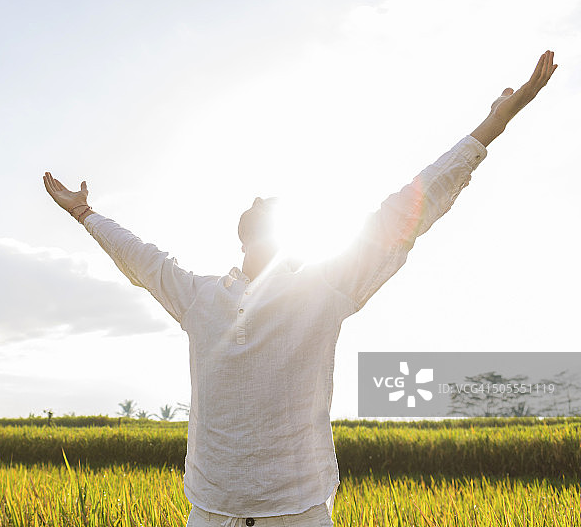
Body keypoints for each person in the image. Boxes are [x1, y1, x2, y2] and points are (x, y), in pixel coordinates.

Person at [42, 51, 557, 527]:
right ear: (243, 235)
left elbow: (410, 206)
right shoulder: (201, 297)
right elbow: (140, 255)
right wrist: (85, 213)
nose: (263, 204)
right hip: (212, 507)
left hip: (296, 507)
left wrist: (494, 125)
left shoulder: (324, 289)